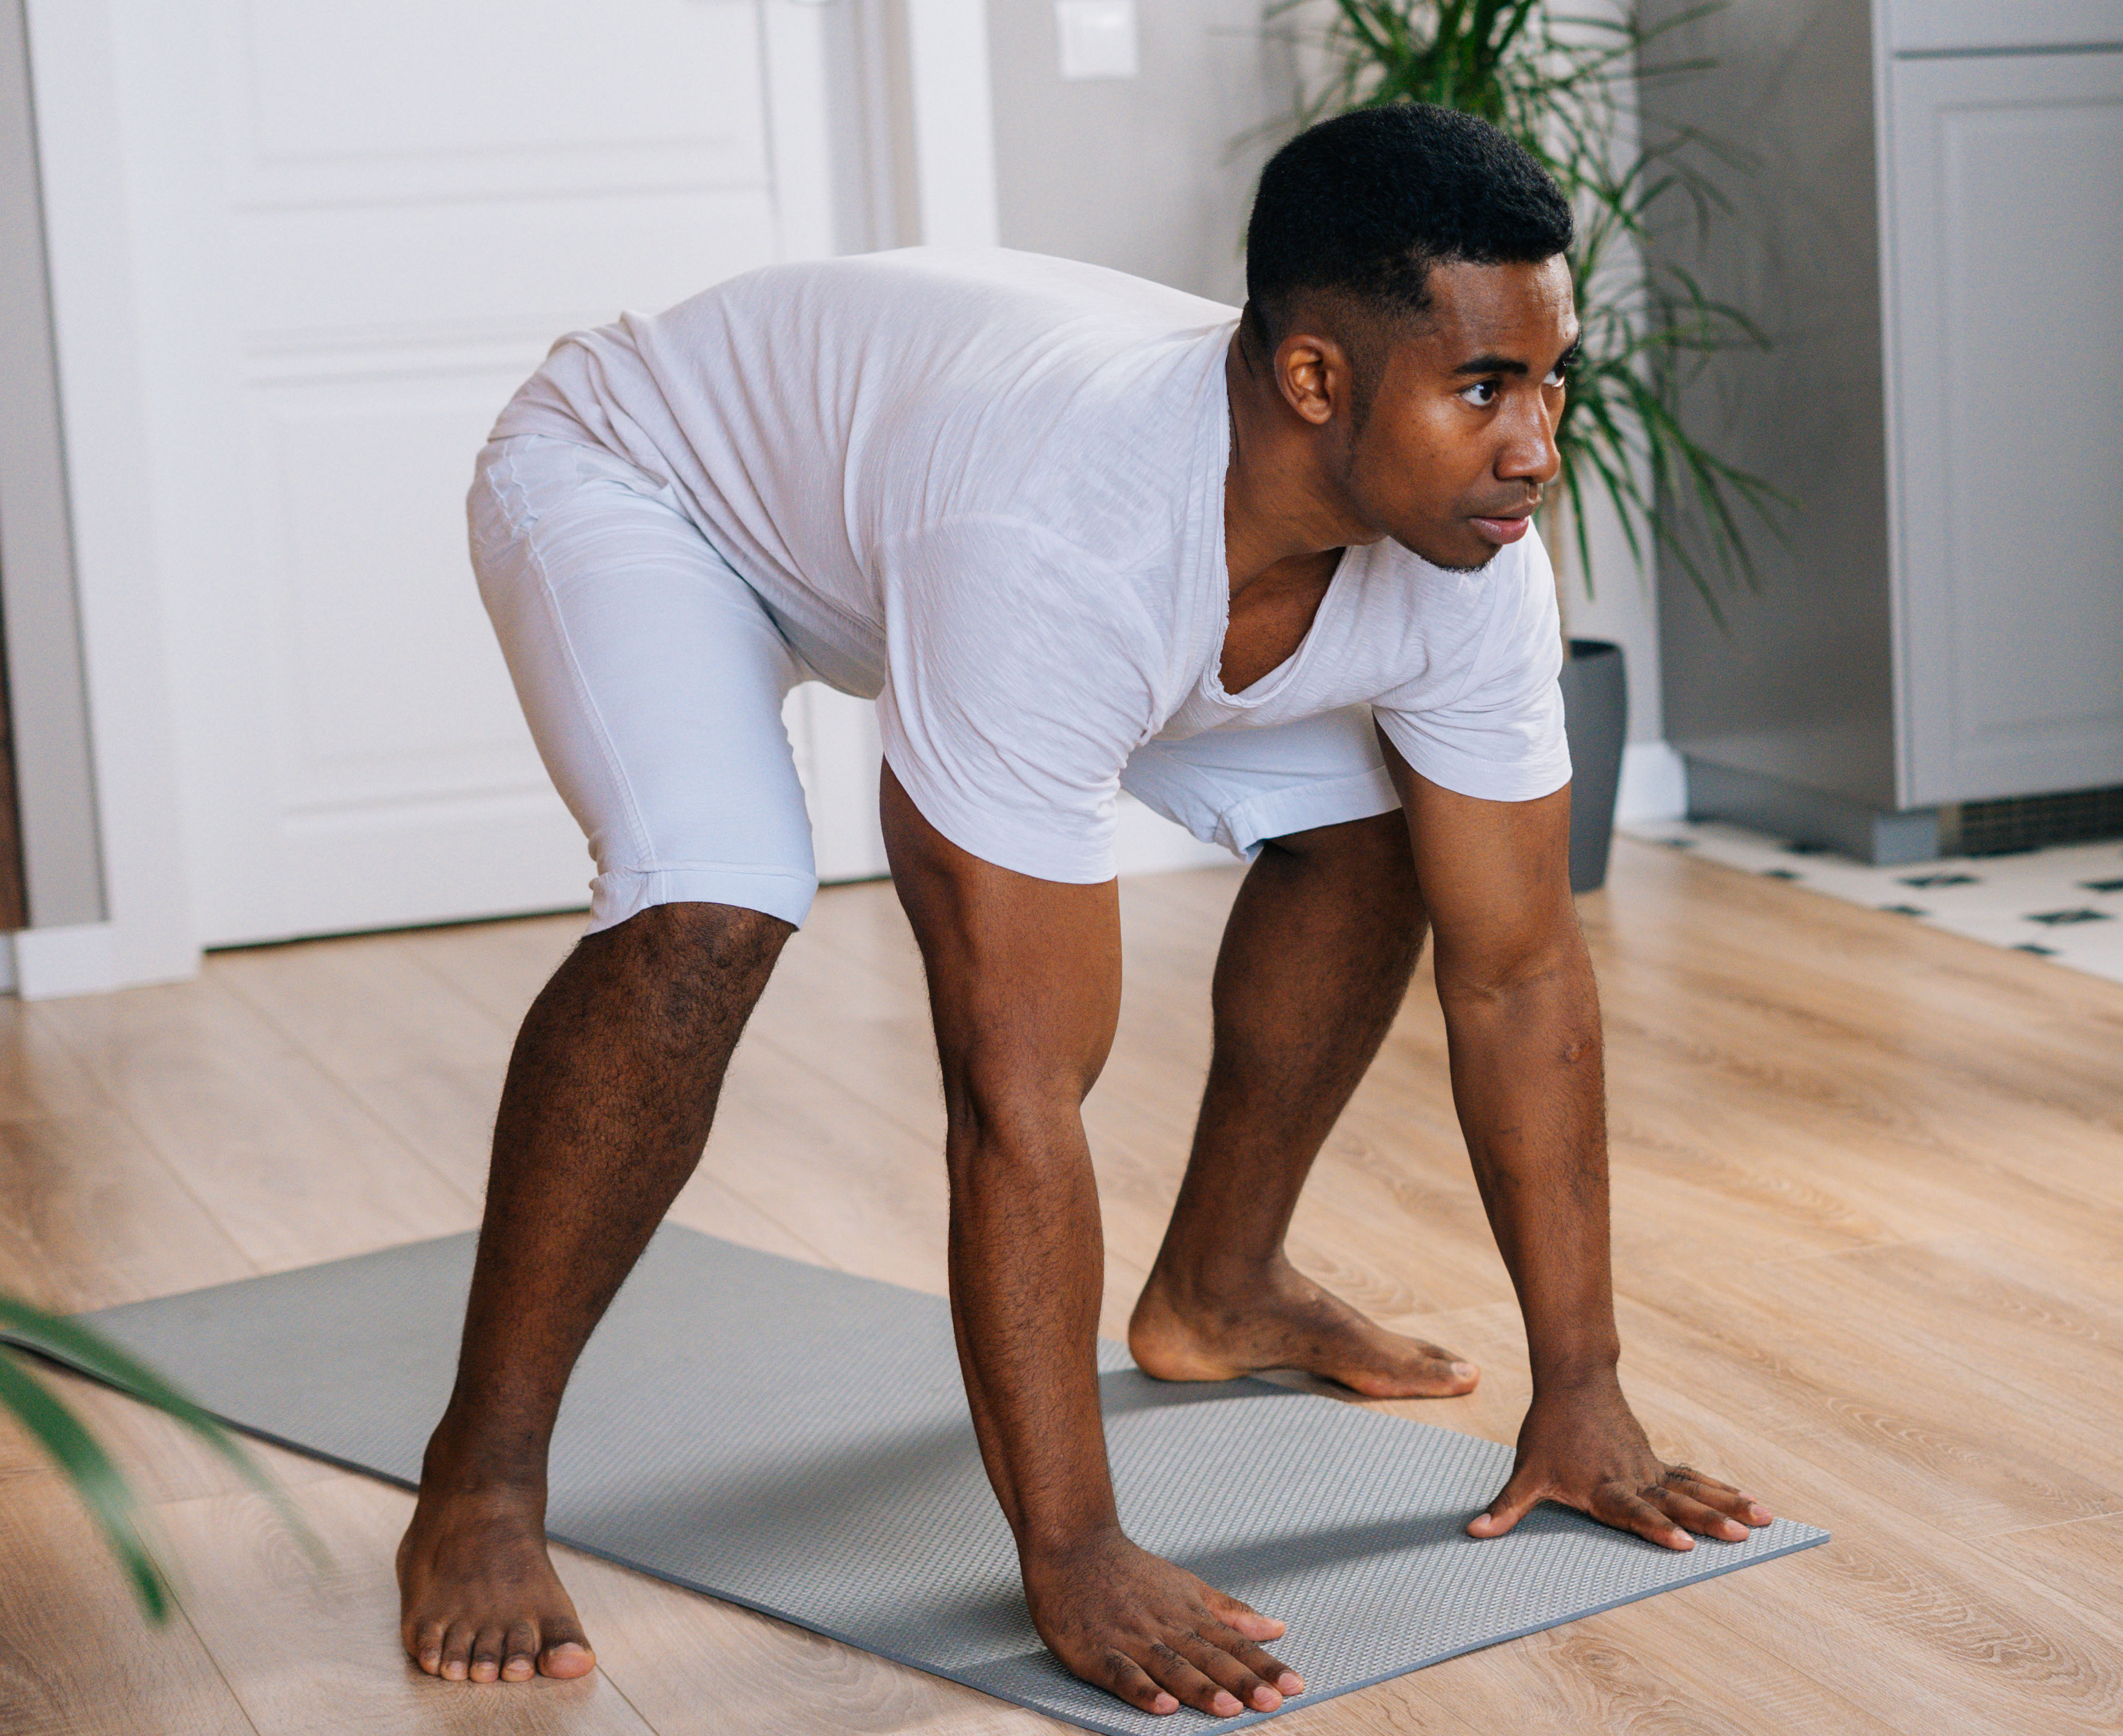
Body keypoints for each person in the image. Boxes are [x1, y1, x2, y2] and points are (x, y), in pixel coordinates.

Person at [393, 101, 1771, 1719]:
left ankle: (1219, 1288)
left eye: (1551, 383)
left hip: (923, 489)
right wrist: (1075, 1549)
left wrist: (1587, 1389)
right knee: (714, 904)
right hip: (656, 482)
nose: (1537, 445)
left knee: (1393, 834)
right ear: (1319, 378)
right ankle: (479, 1477)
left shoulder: (1470, 546)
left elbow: (1521, 975)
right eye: (1485, 389)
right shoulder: (1059, 536)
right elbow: (1017, 1093)